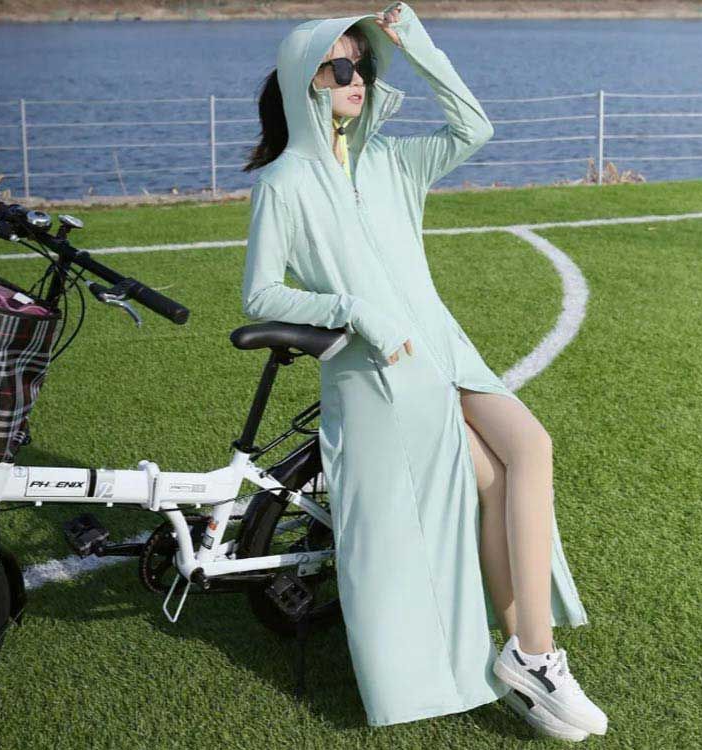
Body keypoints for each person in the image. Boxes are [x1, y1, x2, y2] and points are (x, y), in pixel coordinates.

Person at [241, 1, 608, 739]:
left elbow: (474, 128)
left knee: (530, 448)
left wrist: (416, 43)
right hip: (379, 373)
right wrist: (355, 312)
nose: (355, 78)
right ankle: (532, 657)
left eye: (362, 67)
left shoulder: (391, 160)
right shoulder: (282, 182)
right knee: (493, 484)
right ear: (305, 79)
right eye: (338, 66)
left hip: (446, 349)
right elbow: (262, 293)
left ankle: (530, 654)